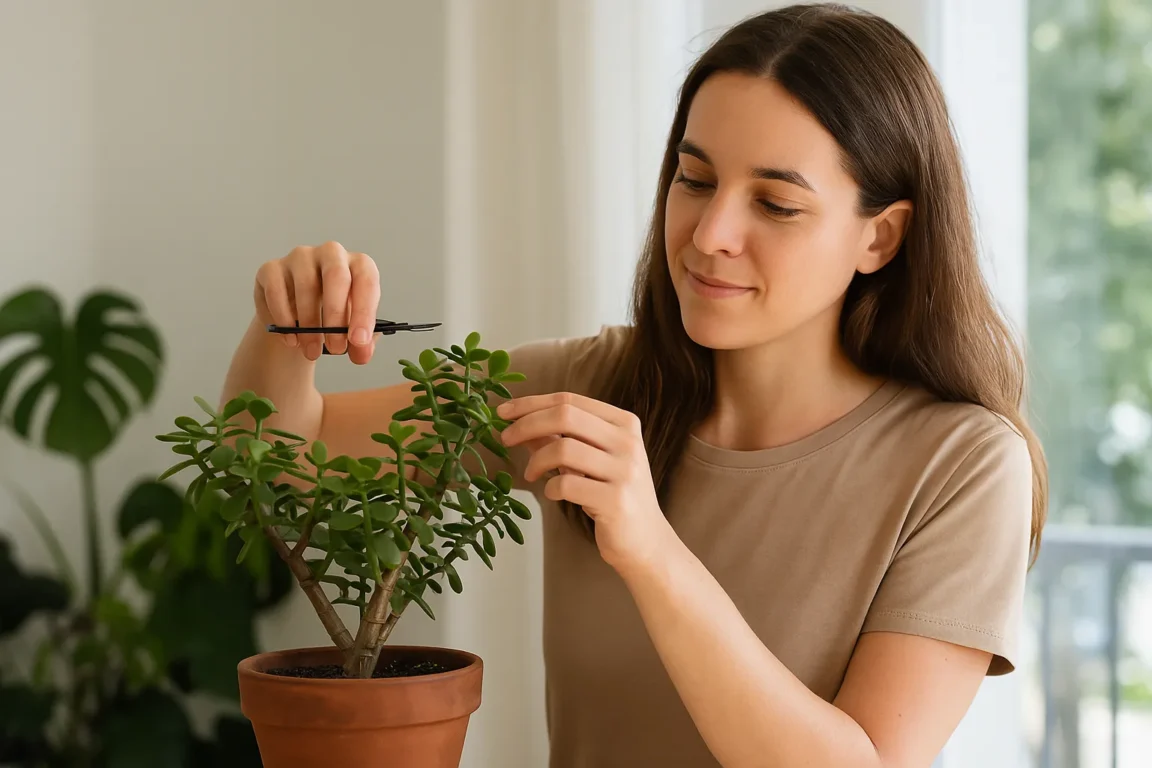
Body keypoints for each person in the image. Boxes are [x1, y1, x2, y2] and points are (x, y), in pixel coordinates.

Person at [221, 4, 1047, 767]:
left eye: (775, 203)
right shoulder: (591, 386)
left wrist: (649, 546)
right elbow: (276, 456)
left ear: (881, 236)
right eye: (694, 179)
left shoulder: (962, 465)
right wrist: (287, 325)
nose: (711, 233)